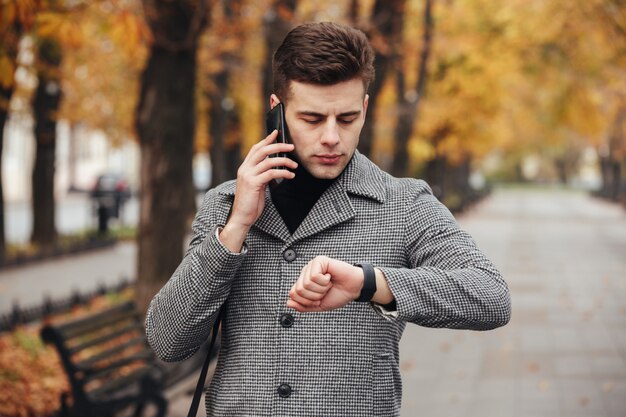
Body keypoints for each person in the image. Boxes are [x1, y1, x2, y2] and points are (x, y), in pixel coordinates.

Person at [145, 21, 511, 417]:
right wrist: (235, 229)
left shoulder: (402, 203)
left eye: (348, 118)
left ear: (365, 109)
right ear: (277, 112)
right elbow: (168, 341)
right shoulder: (225, 204)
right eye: (313, 119)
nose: (332, 138)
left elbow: (490, 295)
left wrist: (370, 283)